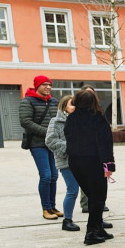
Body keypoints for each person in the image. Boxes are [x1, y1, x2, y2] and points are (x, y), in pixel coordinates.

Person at [64, 88, 115, 246]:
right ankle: (91, 232)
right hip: (95, 162)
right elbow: (105, 144)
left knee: (93, 196)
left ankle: (98, 229)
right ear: (94, 102)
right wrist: (109, 166)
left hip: (75, 162)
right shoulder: (97, 118)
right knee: (98, 197)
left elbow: (68, 138)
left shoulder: (71, 119)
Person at [19, 75, 60, 219]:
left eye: (50, 85)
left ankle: (53, 207)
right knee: (46, 175)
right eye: (44, 85)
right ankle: (45, 209)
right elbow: (25, 121)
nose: (48, 87)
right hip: (37, 144)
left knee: (54, 176)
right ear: (37, 86)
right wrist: (47, 132)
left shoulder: (54, 101)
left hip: (53, 144)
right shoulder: (27, 102)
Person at [44, 95, 81, 233]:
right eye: (72, 105)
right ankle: (67, 220)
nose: (75, 107)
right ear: (64, 106)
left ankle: (97, 219)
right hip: (66, 160)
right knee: (73, 190)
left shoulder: (81, 120)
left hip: (82, 160)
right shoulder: (56, 121)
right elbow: (50, 140)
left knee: (90, 191)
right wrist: (70, 146)